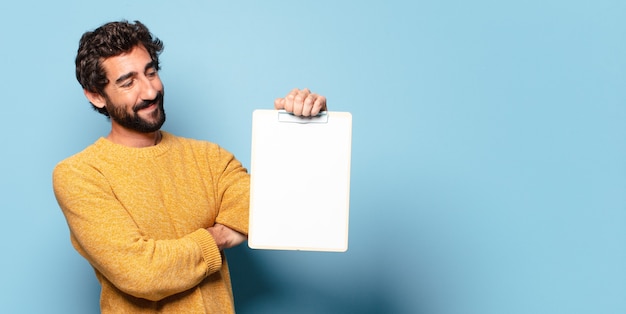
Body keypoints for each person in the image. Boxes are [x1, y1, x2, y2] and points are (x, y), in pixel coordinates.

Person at [52, 20, 326, 313]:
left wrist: (297, 130)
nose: (149, 91)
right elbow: (142, 273)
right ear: (95, 95)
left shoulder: (211, 159)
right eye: (128, 82)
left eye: (151, 72)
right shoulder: (80, 174)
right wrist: (219, 236)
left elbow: (277, 210)